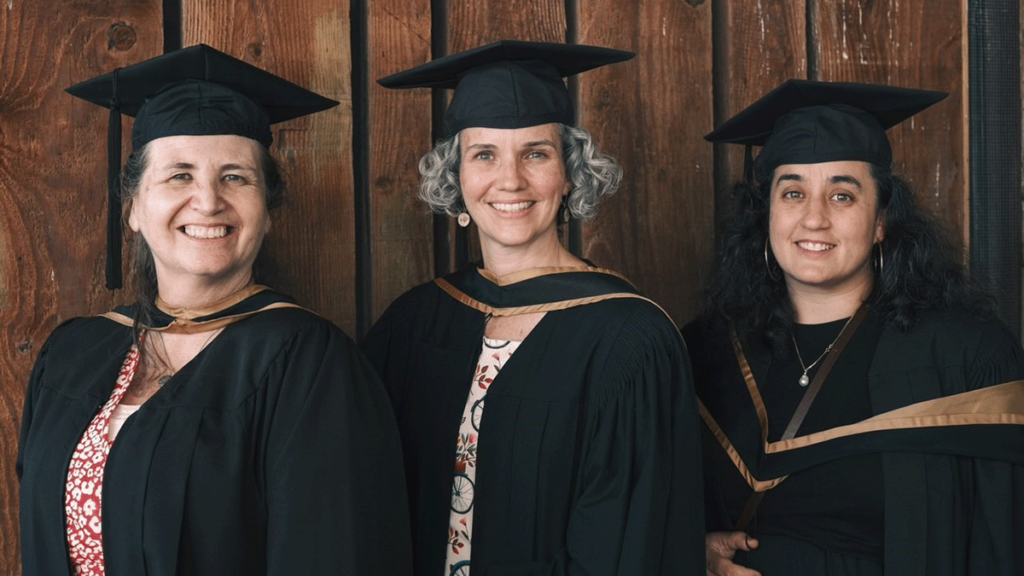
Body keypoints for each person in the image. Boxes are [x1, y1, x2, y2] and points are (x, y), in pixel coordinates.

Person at [17, 44, 412, 576]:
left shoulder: (306, 362)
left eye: (235, 177)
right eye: (179, 175)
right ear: (133, 207)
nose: (207, 201)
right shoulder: (74, 351)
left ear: (267, 212)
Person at [364, 40, 705, 576]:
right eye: (484, 155)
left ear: (570, 173)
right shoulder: (413, 322)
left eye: (536, 153)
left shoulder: (630, 338)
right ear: (456, 177)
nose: (510, 180)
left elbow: (628, 544)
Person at [687, 79, 1024, 576]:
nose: (814, 218)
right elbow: (650, 507)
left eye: (842, 196)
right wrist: (692, 549)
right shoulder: (703, 351)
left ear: (882, 219)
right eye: (793, 192)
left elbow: (1002, 540)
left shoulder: (965, 354)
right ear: (767, 217)